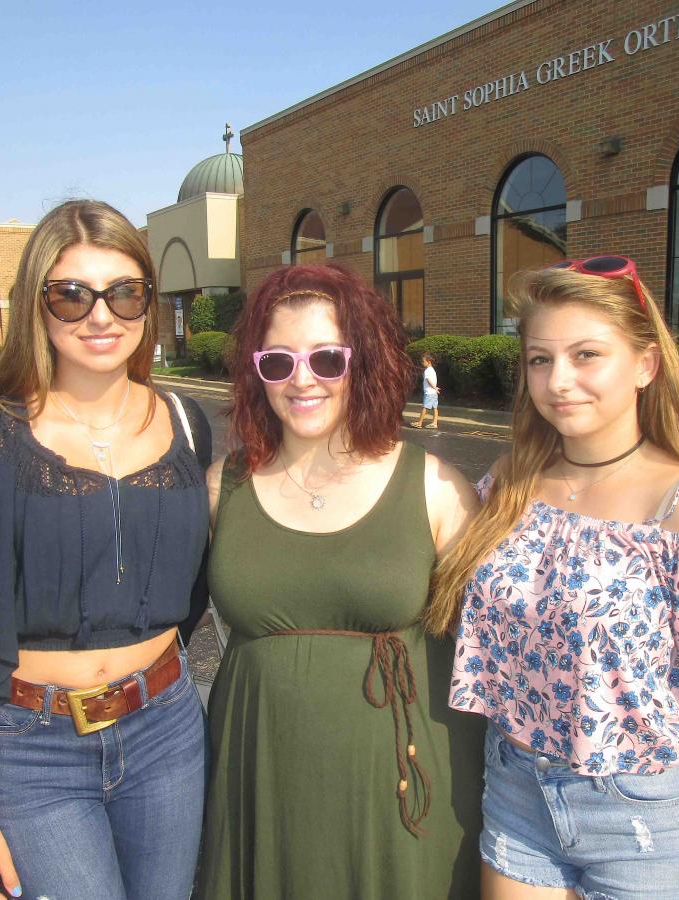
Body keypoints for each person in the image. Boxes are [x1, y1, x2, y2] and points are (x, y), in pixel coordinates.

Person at [427, 257, 679, 900]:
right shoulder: (511, 481)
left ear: (645, 365)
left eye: (586, 354)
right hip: (516, 790)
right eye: (540, 359)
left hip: (646, 818)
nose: (558, 381)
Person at [0, 200, 212, 900]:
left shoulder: (187, 423)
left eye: (124, 293)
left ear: (148, 303)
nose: (101, 315)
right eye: (72, 295)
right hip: (34, 749)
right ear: (38, 304)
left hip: (167, 730)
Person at [197, 263, 484, 899]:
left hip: (400, 788)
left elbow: (497, 652)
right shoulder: (222, 489)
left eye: (327, 358)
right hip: (262, 774)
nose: (303, 380)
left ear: (364, 363)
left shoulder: (435, 488)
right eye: (279, 362)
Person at [414, 351, 441, 429]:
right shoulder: (432, 370)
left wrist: (434, 387)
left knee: (425, 407)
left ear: (428, 362)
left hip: (429, 393)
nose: (422, 363)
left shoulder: (427, 370)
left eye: (423, 361)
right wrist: (435, 388)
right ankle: (435, 423)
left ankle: (419, 423)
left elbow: (428, 380)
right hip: (434, 393)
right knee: (435, 408)